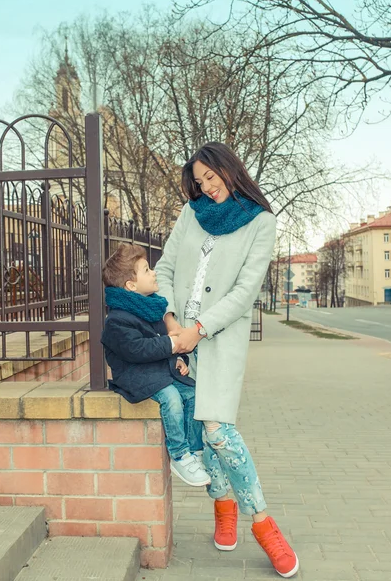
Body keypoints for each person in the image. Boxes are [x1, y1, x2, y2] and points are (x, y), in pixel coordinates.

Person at [155, 142, 299, 578]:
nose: (207, 187)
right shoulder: (189, 214)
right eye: (199, 182)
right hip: (177, 337)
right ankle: (222, 505)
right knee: (199, 430)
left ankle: (263, 524)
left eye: (212, 178)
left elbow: (243, 293)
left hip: (217, 340)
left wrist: (197, 331)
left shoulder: (261, 222)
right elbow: (163, 270)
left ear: (229, 169)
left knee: (219, 429)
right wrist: (171, 321)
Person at [101, 243, 210, 487]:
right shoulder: (117, 320)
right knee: (171, 398)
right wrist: (172, 344)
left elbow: (161, 346)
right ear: (131, 285)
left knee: (192, 393)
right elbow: (139, 350)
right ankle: (180, 455)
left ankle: (195, 450)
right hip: (134, 376)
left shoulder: (151, 308)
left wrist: (180, 361)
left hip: (158, 371)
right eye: (147, 269)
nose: (154, 272)